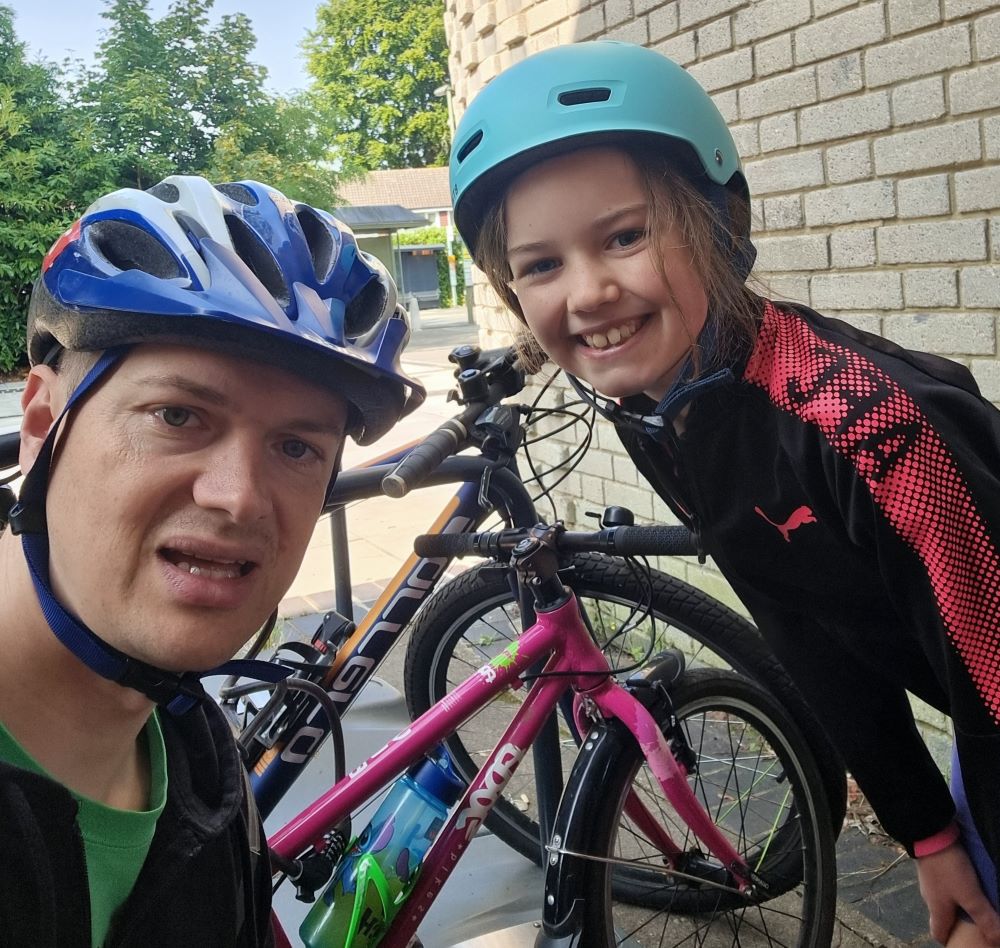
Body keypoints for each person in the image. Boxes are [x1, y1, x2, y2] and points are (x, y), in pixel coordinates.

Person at [449, 40, 1000, 947]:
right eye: (539, 265)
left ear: (716, 226)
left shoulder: (872, 429)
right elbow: (805, 631)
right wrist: (929, 833)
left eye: (624, 236)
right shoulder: (661, 406)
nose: (588, 293)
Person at [0, 175, 423, 947]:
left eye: (297, 447)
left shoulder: (195, 749)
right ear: (40, 425)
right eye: (178, 414)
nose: (238, 498)